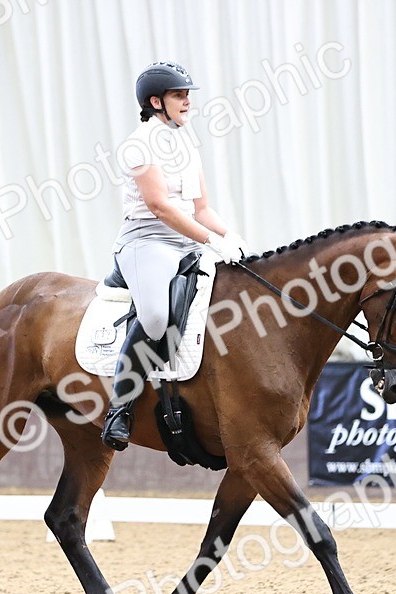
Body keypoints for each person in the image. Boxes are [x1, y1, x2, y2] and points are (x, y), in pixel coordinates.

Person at [101, 61, 249, 451]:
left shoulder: (187, 144)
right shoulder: (137, 145)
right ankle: (119, 409)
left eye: (187, 96)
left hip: (188, 241)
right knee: (154, 318)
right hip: (146, 242)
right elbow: (160, 207)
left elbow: (202, 209)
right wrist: (210, 239)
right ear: (156, 102)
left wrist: (229, 235)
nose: (187, 102)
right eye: (179, 96)